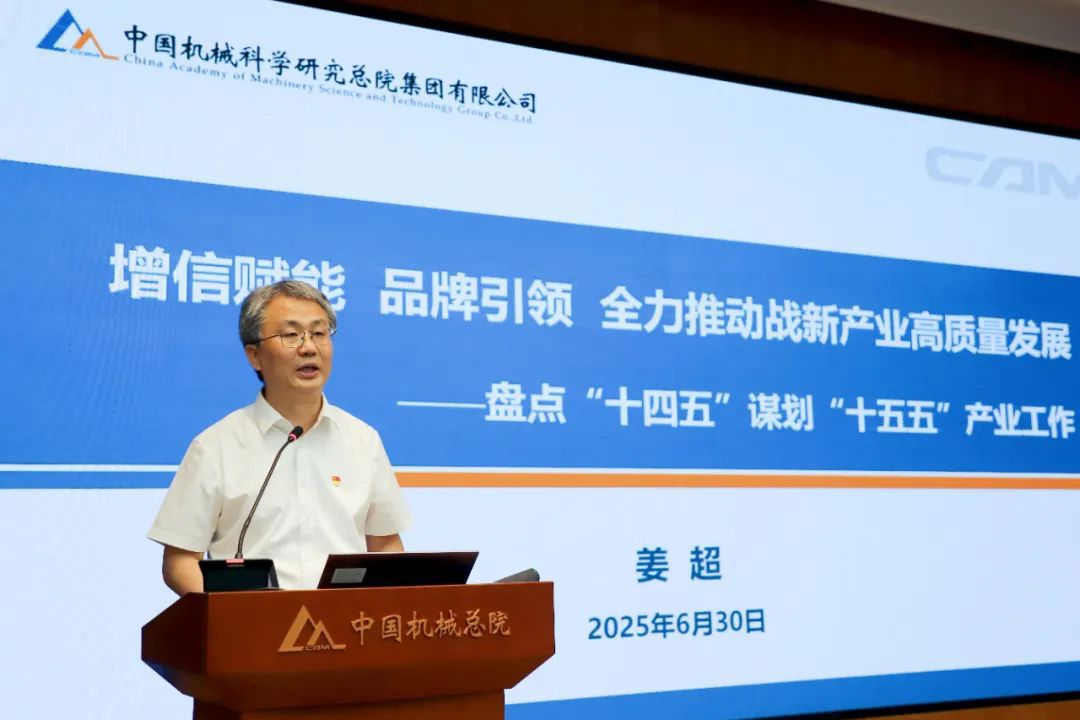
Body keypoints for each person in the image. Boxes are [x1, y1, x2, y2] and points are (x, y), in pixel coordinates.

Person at [147, 280, 411, 594]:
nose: (309, 347)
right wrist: (226, 615)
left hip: (346, 621)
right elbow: (180, 561)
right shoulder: (215, 446)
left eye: (319, 333)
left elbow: (386, 544)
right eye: (290, 335)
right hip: (252, 621)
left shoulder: (362, 440)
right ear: (254, 355)